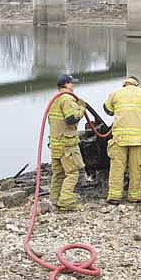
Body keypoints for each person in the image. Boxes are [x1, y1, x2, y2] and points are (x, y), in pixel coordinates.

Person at [103, 76, 141, 204]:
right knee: (136, 168)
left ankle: (114, 197)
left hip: (119, 137)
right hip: (138, 138)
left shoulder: (116, 93)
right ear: (137, 84)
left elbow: (108, 110)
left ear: (125, 84)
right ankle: (134, 197)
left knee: (117, 167)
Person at [47, 74, 87, 211]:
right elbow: (71, 119)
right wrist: (81, 108)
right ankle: (66, 201)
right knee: (72, 173)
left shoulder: (54, 99)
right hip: (67, 145)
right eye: (72, 83)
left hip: (55, 143)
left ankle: (55, 199)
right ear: (67, 84)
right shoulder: (67, 99)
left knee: (58, 173)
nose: (73, 86)